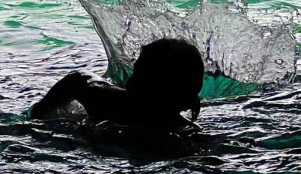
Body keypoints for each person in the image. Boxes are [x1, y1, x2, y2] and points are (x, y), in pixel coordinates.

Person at [30, 37, 205, 130]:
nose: (130, 84)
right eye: (136, 72)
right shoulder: (111, 103)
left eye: (143, 78)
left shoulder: (183, 136)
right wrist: (39, 115)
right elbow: (79, 78)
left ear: (169, 92)